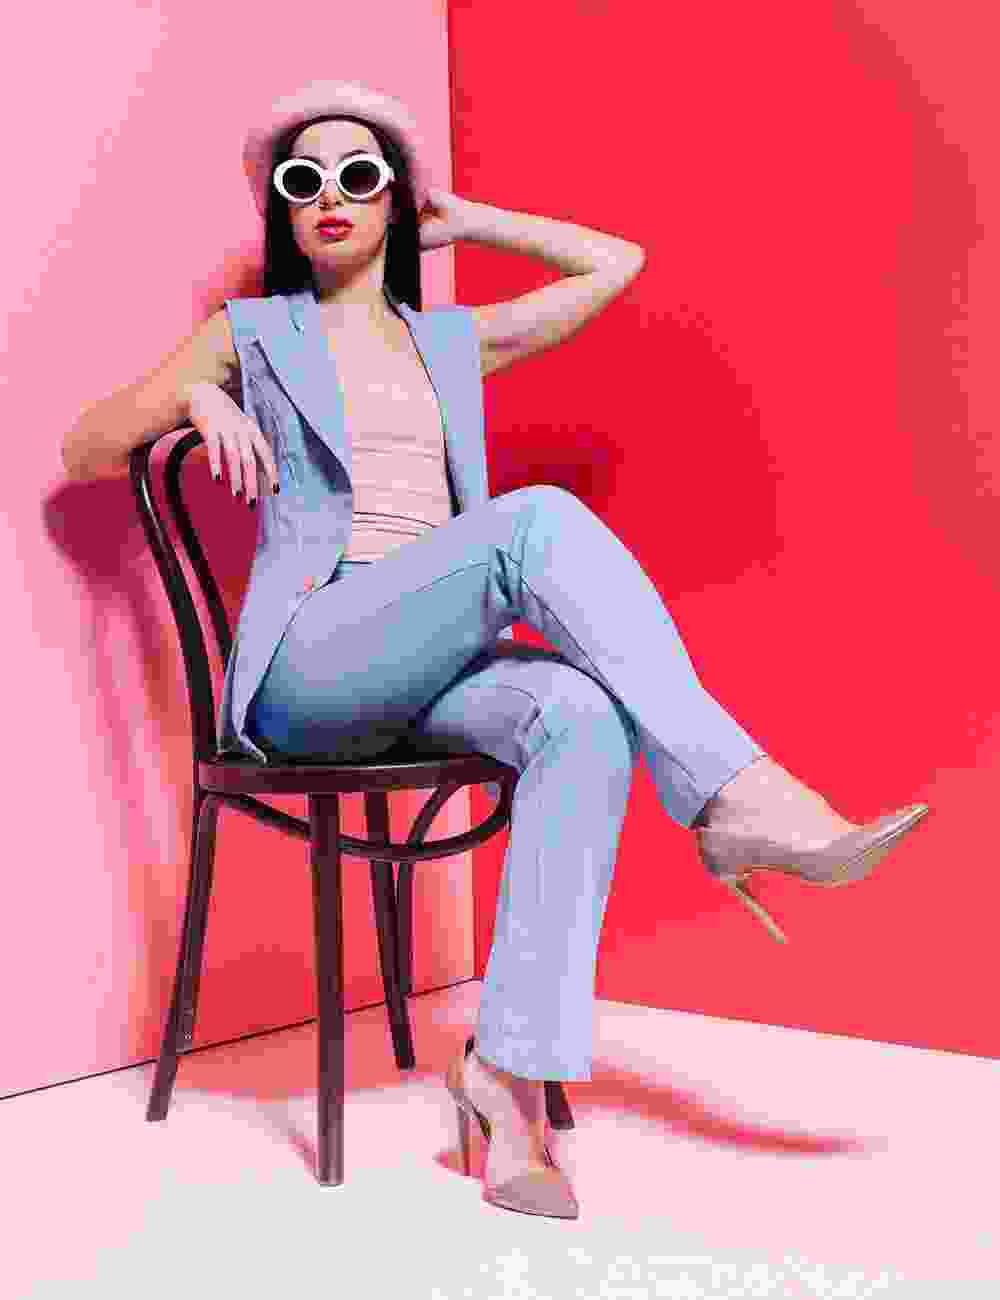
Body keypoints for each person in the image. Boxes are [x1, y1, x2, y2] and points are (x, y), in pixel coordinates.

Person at [63, 80, 930, 1221]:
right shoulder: (253, 333)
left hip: (428, 663)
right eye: (303, 181)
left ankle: (509, 1078)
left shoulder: (450, 343)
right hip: (311, 670)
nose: (330, 196)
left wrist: (471, 222)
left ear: (396, 200)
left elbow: (614, 264)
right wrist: (195, 399)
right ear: (283, 209)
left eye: (359, 175)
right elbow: (86, 446)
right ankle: (737, 795)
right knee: (535, 524)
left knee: (579, 711)